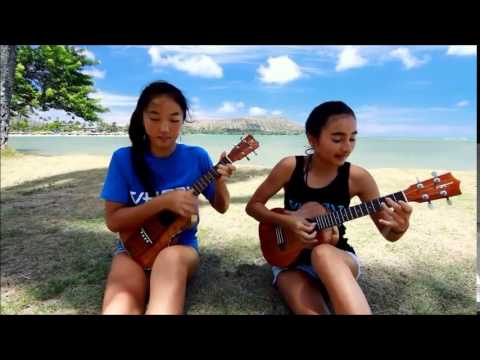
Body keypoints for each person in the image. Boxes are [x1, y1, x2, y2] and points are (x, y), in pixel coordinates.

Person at [245, 101, 412, 315]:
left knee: (322, 252)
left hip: (336, 258)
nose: (347, 147)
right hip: (289, 260)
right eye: (337, 138)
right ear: (312, 138)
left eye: (352, 138)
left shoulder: (357, 178)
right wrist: (288, 221)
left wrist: (399, 228)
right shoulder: (290, 167)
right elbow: (253, 207)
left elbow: (387, 233)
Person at [100, 81, 236, 314]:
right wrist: (162, 202)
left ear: (183, 121)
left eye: (174, 120)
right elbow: (114, 222)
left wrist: (220, 180)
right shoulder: (124, 159)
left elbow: (221, 207)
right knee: (118, 308)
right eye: (154, 118)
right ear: (141, 117)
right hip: (133, 247)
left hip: (179, 249)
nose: (164, 128)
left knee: (169, 266)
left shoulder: (197, 157)